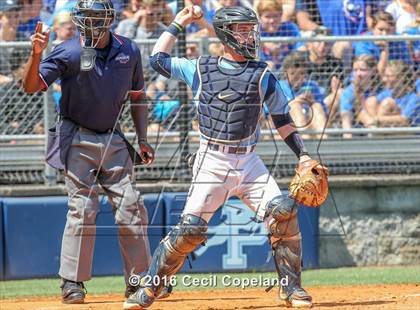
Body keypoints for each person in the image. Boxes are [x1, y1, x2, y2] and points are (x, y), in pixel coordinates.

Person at [124, 6, 320, 309]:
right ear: (227, 33)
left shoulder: (263, 74)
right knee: (190, 230)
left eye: (250, 29)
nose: (250, 34)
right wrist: (179, 22)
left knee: (282, 211)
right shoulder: (200, 68)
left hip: (249, 161)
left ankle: (291, 288)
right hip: (212, 161)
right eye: (242, 29)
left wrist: (304, 155)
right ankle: (151, 287)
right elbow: (157, 60)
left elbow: (282, 119)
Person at [22, 0, 157, 304]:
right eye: (86, 16)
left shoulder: (130, 49)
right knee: (83, 209)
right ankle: (72, 282)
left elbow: (137, 97)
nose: (91, 21)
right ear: (78, 18)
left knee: (131, 206)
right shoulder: (68, 50)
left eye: (98, 16)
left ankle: (138, 282)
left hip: (113, 137)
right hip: (76, 136)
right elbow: (31, 86)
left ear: (110, 18)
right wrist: (36, 54)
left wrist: (144, 138)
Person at [363, 60, 420, 127]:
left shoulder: (414, 98)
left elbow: (405, 120)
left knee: (387, 103)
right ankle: (374, 131)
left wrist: (376, 119)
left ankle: (376, 132)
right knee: (371, 100)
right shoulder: (386, 93)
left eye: (388, 76)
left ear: (401, 78)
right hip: (384, 127)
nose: (384, 79)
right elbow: (365, 109)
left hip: (406, 132)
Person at [340, 55, 382, 138]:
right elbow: (346, 115)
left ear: (373, 71)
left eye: (363, 70)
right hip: (357, 127)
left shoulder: (381, 89)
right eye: (355, 70)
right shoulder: (348, 91)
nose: (358, 74)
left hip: (380, 124)